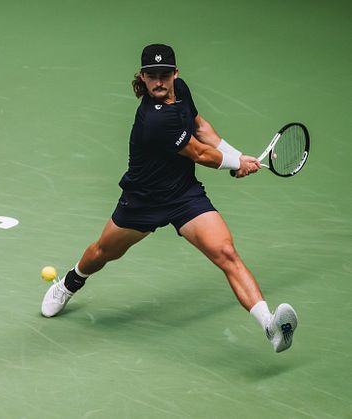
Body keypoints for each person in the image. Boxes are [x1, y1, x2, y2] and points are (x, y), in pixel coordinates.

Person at [40, 44, 298, 353]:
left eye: (165, 75)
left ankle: (269, 325)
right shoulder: (154, 119)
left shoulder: (181, 90)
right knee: (103, 252)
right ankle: (71, 282)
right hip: (143, 200)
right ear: (143, 78)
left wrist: (237, 156)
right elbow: (199, 153)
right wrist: (234, 165)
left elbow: (202, 128)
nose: (159, 82)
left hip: (184, 195)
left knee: (226, 253)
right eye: (152, 76)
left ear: (175, 74)